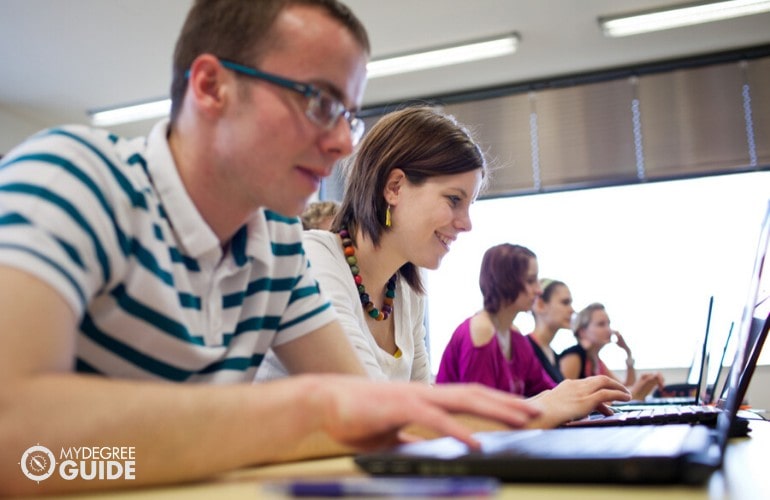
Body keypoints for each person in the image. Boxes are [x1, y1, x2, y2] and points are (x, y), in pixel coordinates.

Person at [0, 1, 555, 495]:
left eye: (348, 116)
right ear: (212, 86)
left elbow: (369, 418)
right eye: (317, 102)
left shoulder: (275, 248)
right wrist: (303, 410)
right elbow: (22, 451)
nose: (341, 143)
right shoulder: (73, 176)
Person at [259, 105, 482, 383]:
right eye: (453, 200)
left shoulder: (406, 290)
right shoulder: (315, 258)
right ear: (394, 187)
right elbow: (371, 403)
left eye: (469, 205)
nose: (466, 223)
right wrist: (538, 406)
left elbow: (423, 404)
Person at [436, 244, 629, 407]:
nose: (538, 290)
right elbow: (481, 415)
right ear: (506, 282)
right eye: (530, 281)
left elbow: (547, 389)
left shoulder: (515, 338)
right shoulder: (481, 330)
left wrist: (586, 397)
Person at [560, 302, 665, 401]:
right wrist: (635, 392)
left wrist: (628, 352)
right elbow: (564, 399)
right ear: (582, 332)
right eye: (601, 324)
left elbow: (624, 388)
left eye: (608, 324)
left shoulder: (597, 361)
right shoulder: (573, 356)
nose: (609, 330)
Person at [527, 278, 574, 383]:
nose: (572, 310)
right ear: (540, 305)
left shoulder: (553, 355)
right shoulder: (525, 347)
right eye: (565, 302)